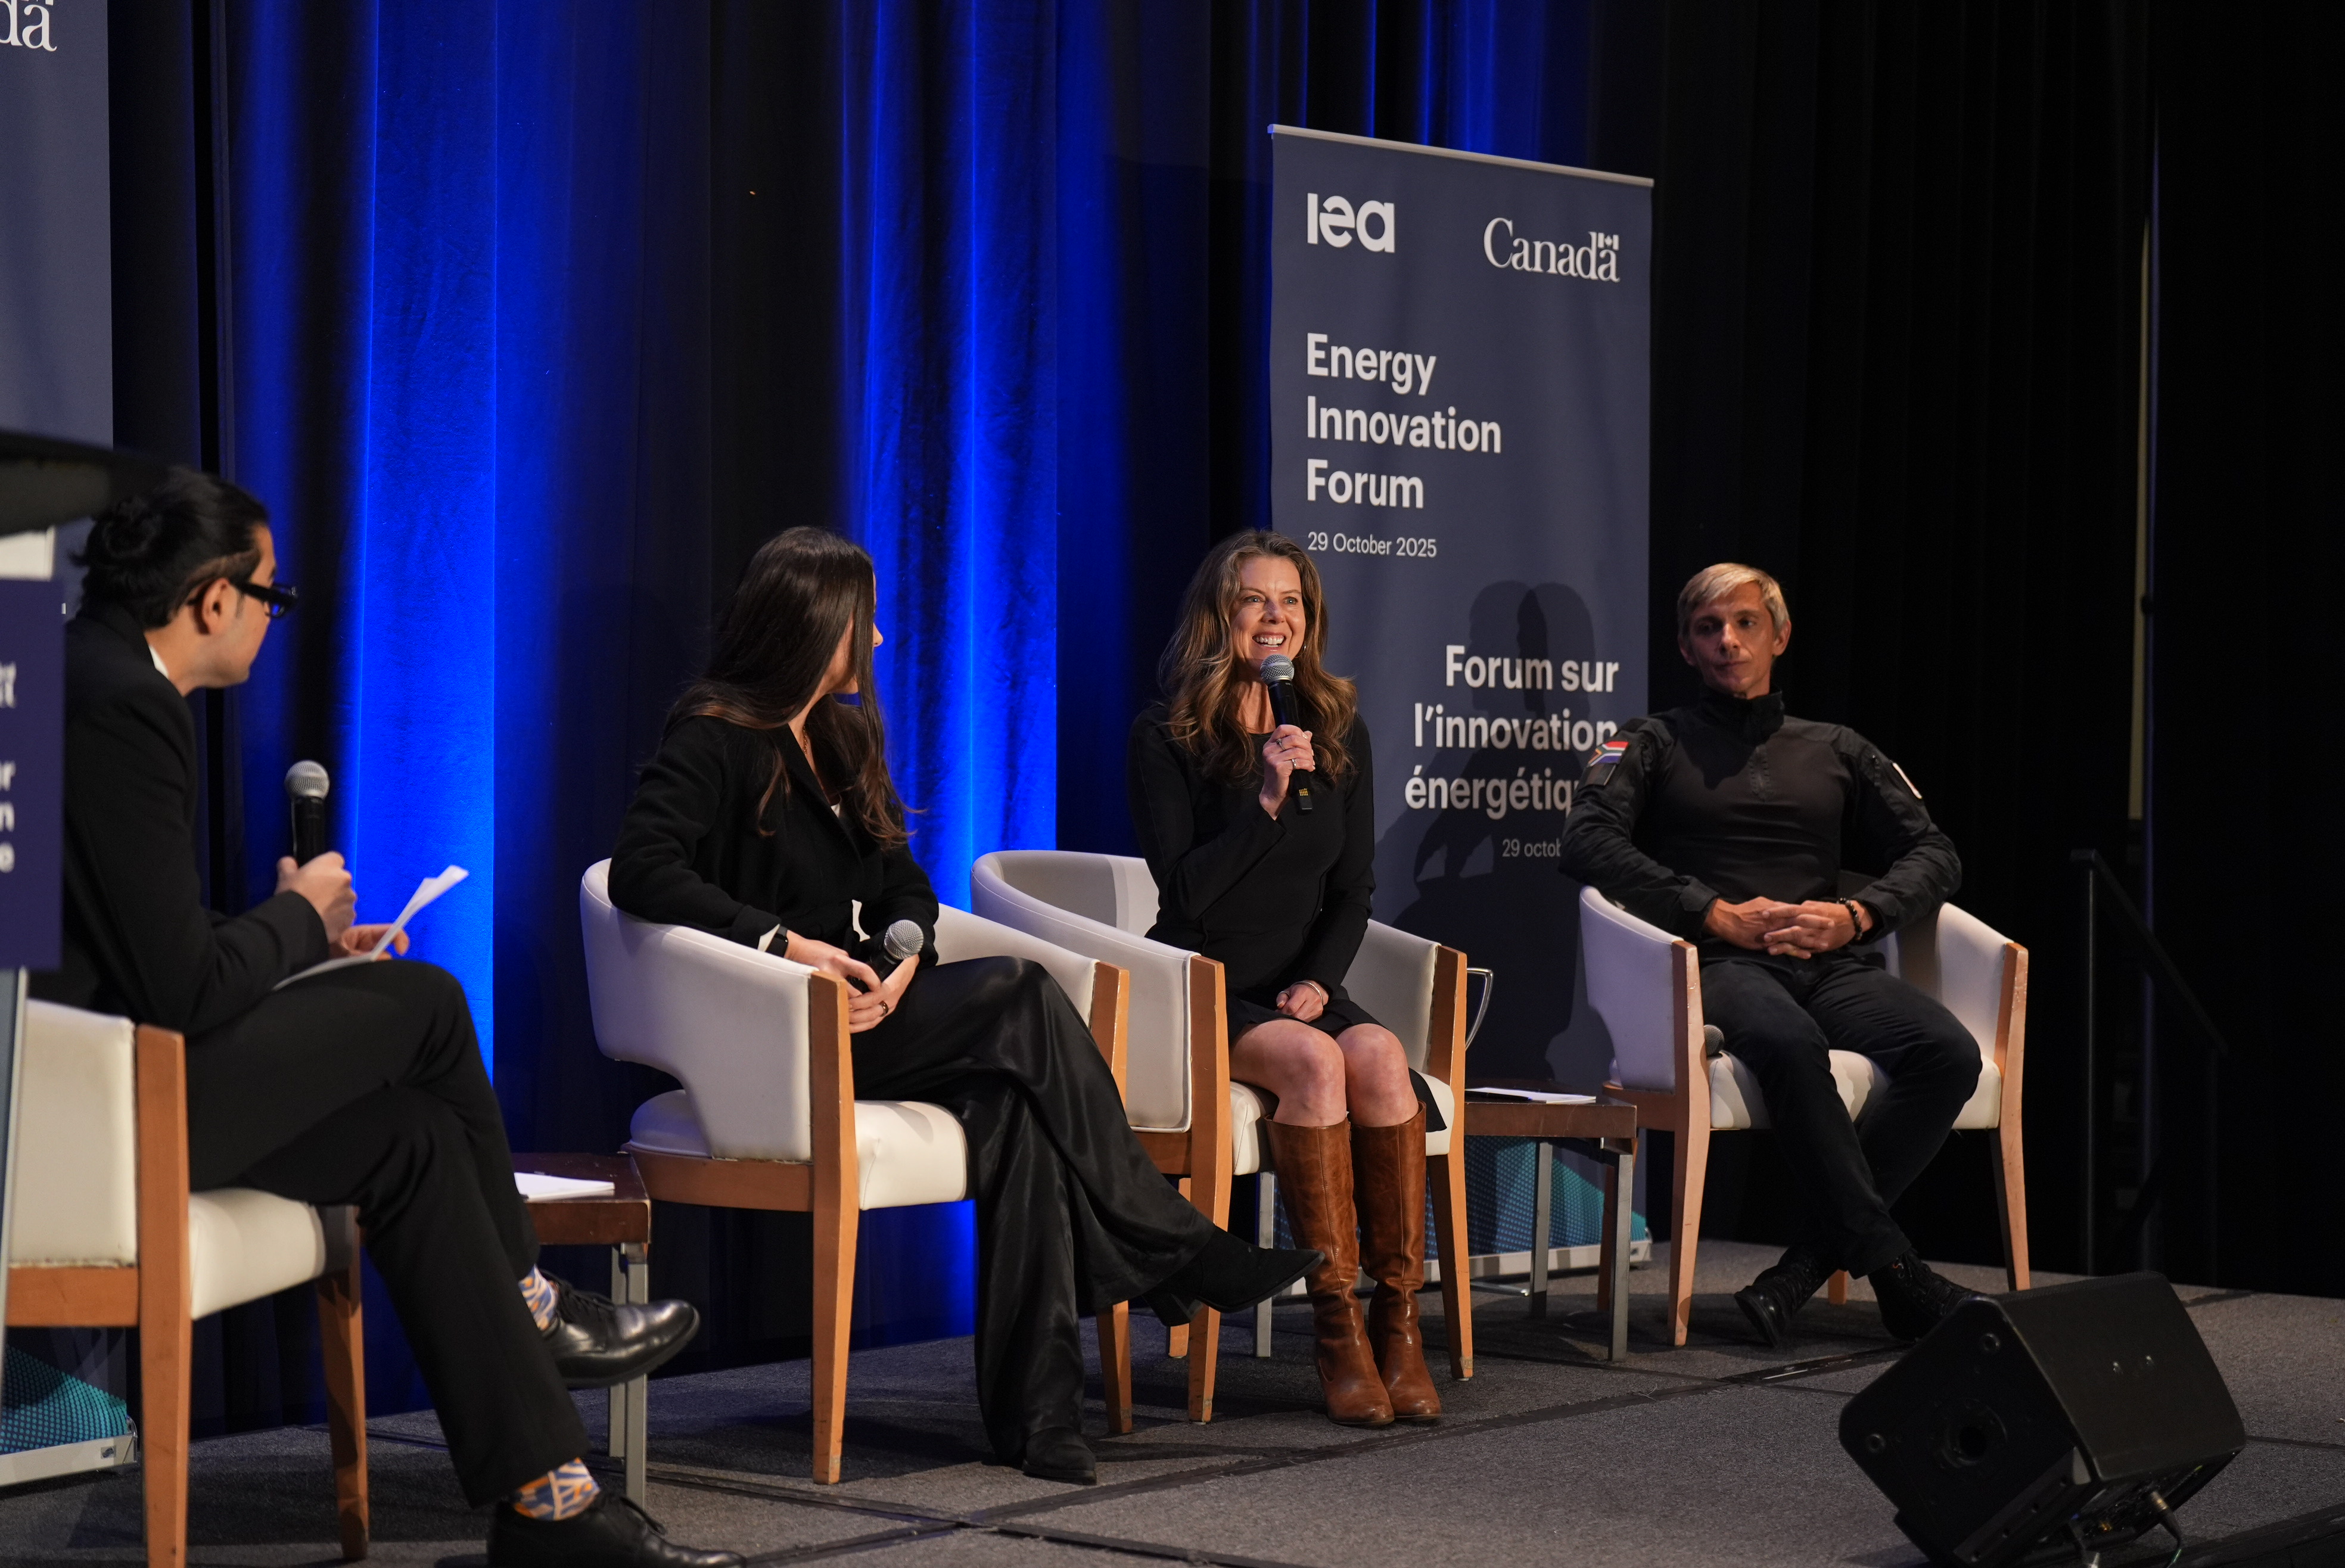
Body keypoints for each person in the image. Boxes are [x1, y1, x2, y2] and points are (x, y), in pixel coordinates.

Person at [31, 469, 735, 1567]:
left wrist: (294, 942)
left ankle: (547, 1507)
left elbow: (130, 940)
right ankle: (535, 1303)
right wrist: (299, 920)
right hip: (106, 1112)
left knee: (407, 1140)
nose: (275, 617)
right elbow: (172, 990)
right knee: (427, 1002)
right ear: (215, 598)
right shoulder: (125, 703)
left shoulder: (81, 671)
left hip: (115, 1074)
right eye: (275, 594)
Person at [608, 526, 1317, 1486]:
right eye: (865, 625)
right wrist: (788, 948)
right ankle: (1170, 1237)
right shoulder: (716, 737)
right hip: (786, 1032)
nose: (881, 644)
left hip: (878, 1007)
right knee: (1023, 990)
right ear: (814, 628)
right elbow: (643, 872)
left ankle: (1041, 1420)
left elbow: (904, 884)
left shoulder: (844, 734)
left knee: (1020, 1116)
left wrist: (903, 957)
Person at [1557, 562, 1981, 1346]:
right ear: (1685, 646)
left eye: (1745, 623)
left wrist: (1857, 916)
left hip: (1829, 964)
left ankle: (1799, 1272)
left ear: (1779, 636)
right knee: (1789, 1043)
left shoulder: (1839, 747)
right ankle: (1895, 1271)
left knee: (1948, 1052)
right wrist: (1709, 910)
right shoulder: (1644, 741)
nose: (1728, 641)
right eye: (1708, 628)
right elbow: (1583, 840)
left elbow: (1935, 854)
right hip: (1718, 968)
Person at [1127, 531, 1444, 1430]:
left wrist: (1318, 980)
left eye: (1292, 602)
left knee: (1380, 1056)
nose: (1277, 619)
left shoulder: (1337, 729)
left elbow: (1354, 891)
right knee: (1313, 1066)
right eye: (1257, 601)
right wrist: (1264, 804)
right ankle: (1336, 1333)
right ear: (1221, 619)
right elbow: (1184, 890)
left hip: (1300, 982)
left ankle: (1400, 1326)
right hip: (1204, 981)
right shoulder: (1168, 735)